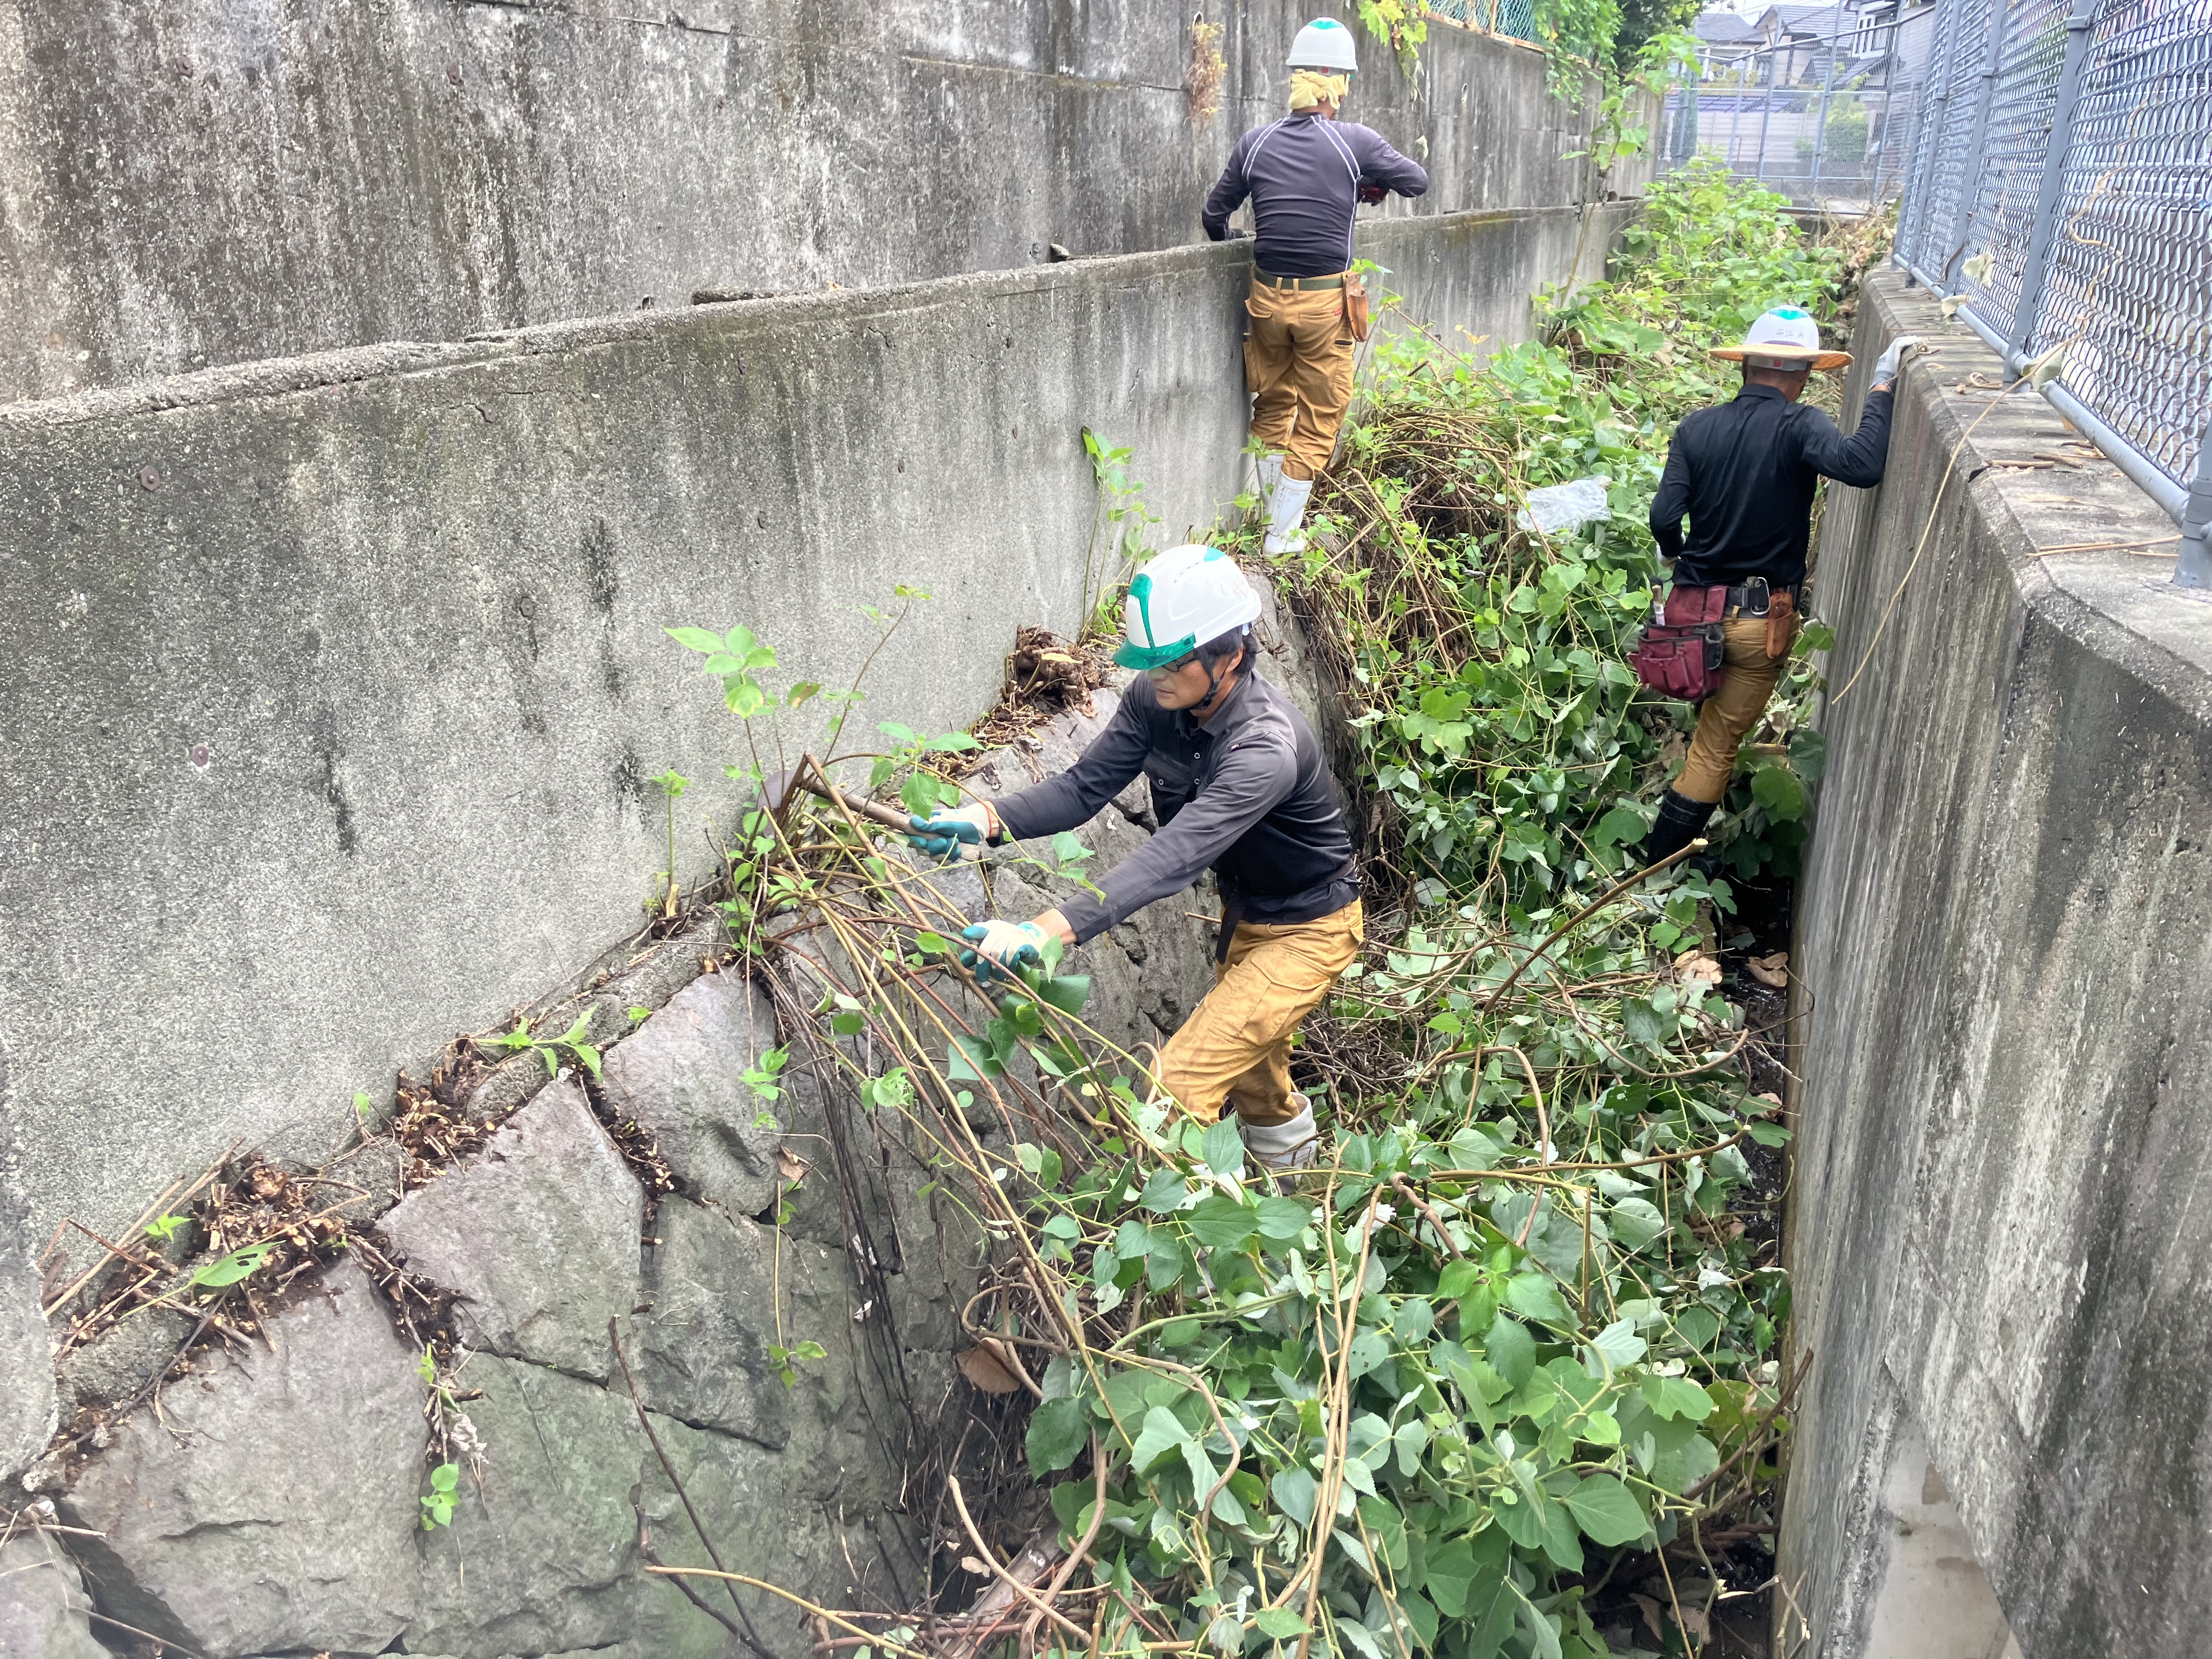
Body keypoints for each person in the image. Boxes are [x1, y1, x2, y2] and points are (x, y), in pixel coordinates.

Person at [906, 545, 1360, 1175]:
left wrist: (1044, 931)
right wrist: (984, 819)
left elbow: (1172, 856)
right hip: (1248, 917)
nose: (1157, 676)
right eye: (1148, 663)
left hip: (1311, 929)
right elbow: (1082, 787)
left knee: (1174, 1091)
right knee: (1255, 1076)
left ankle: (1202, 1253)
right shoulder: (1157, 702)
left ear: (1228, 655)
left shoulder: (1264, 749)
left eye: (1172, 661)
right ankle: (1299, 1193)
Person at [1639, 309, 1922, 866]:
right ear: (1803, 374)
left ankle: (1677, 853)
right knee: (1716, 745)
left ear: (1744, 365)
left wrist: (1677, 555)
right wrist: (1883, 386)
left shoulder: (1696, 429)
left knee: (1707, 726)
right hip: (1756, 621)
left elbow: (1664, 516)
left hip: (1692, 617)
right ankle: (1658, 872)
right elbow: (1862, 465)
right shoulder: (1801, 426)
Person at [1201, 18, 1428, 557]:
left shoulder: (1256, 143)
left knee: (1274, 399)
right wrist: (1369, 186)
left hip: (1265, 299)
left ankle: (1263, 517)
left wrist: (1235, 239)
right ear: (1338, 84)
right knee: (1323, 413)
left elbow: (1214, 215)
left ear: (1296, 79)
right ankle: (1282, 536)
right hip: (1324, 305)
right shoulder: (1355, 142)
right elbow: (1416, 182)